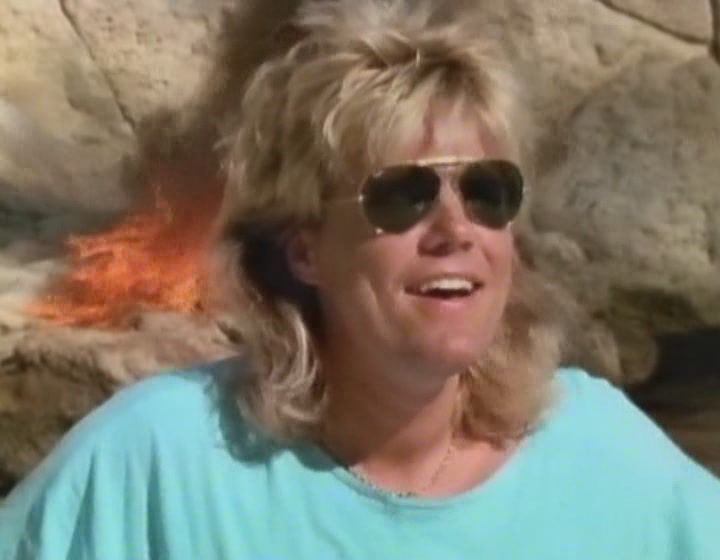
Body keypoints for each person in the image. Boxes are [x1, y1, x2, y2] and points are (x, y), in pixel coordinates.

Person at [1, 0, 719, 558]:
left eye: (487, 190)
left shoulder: (607, 457)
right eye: (403, 196)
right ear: (304, 250)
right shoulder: (154, 466)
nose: (455, 229)